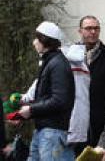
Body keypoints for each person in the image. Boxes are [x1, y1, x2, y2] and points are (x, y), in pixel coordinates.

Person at [14, 21, 75, 161]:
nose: (34, 42)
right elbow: (46, 98)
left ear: (45, 40)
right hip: (45, 131)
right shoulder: (51, 62)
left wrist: (31, 110)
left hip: (52, 133)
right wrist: (25, 114)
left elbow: (60, 101)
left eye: (37, 38)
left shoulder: (57, 64)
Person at [77, 16, 105, 149]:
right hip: (77, 124)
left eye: (96, 28)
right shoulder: (70, 56)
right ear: (80, 31)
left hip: (102, 123)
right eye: (88, 28)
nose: (93, 32)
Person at [62, 43, 90, 155]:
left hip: (67, 122)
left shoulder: (63, 64)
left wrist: (25, 99)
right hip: (80, 121)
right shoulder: (83, 66)